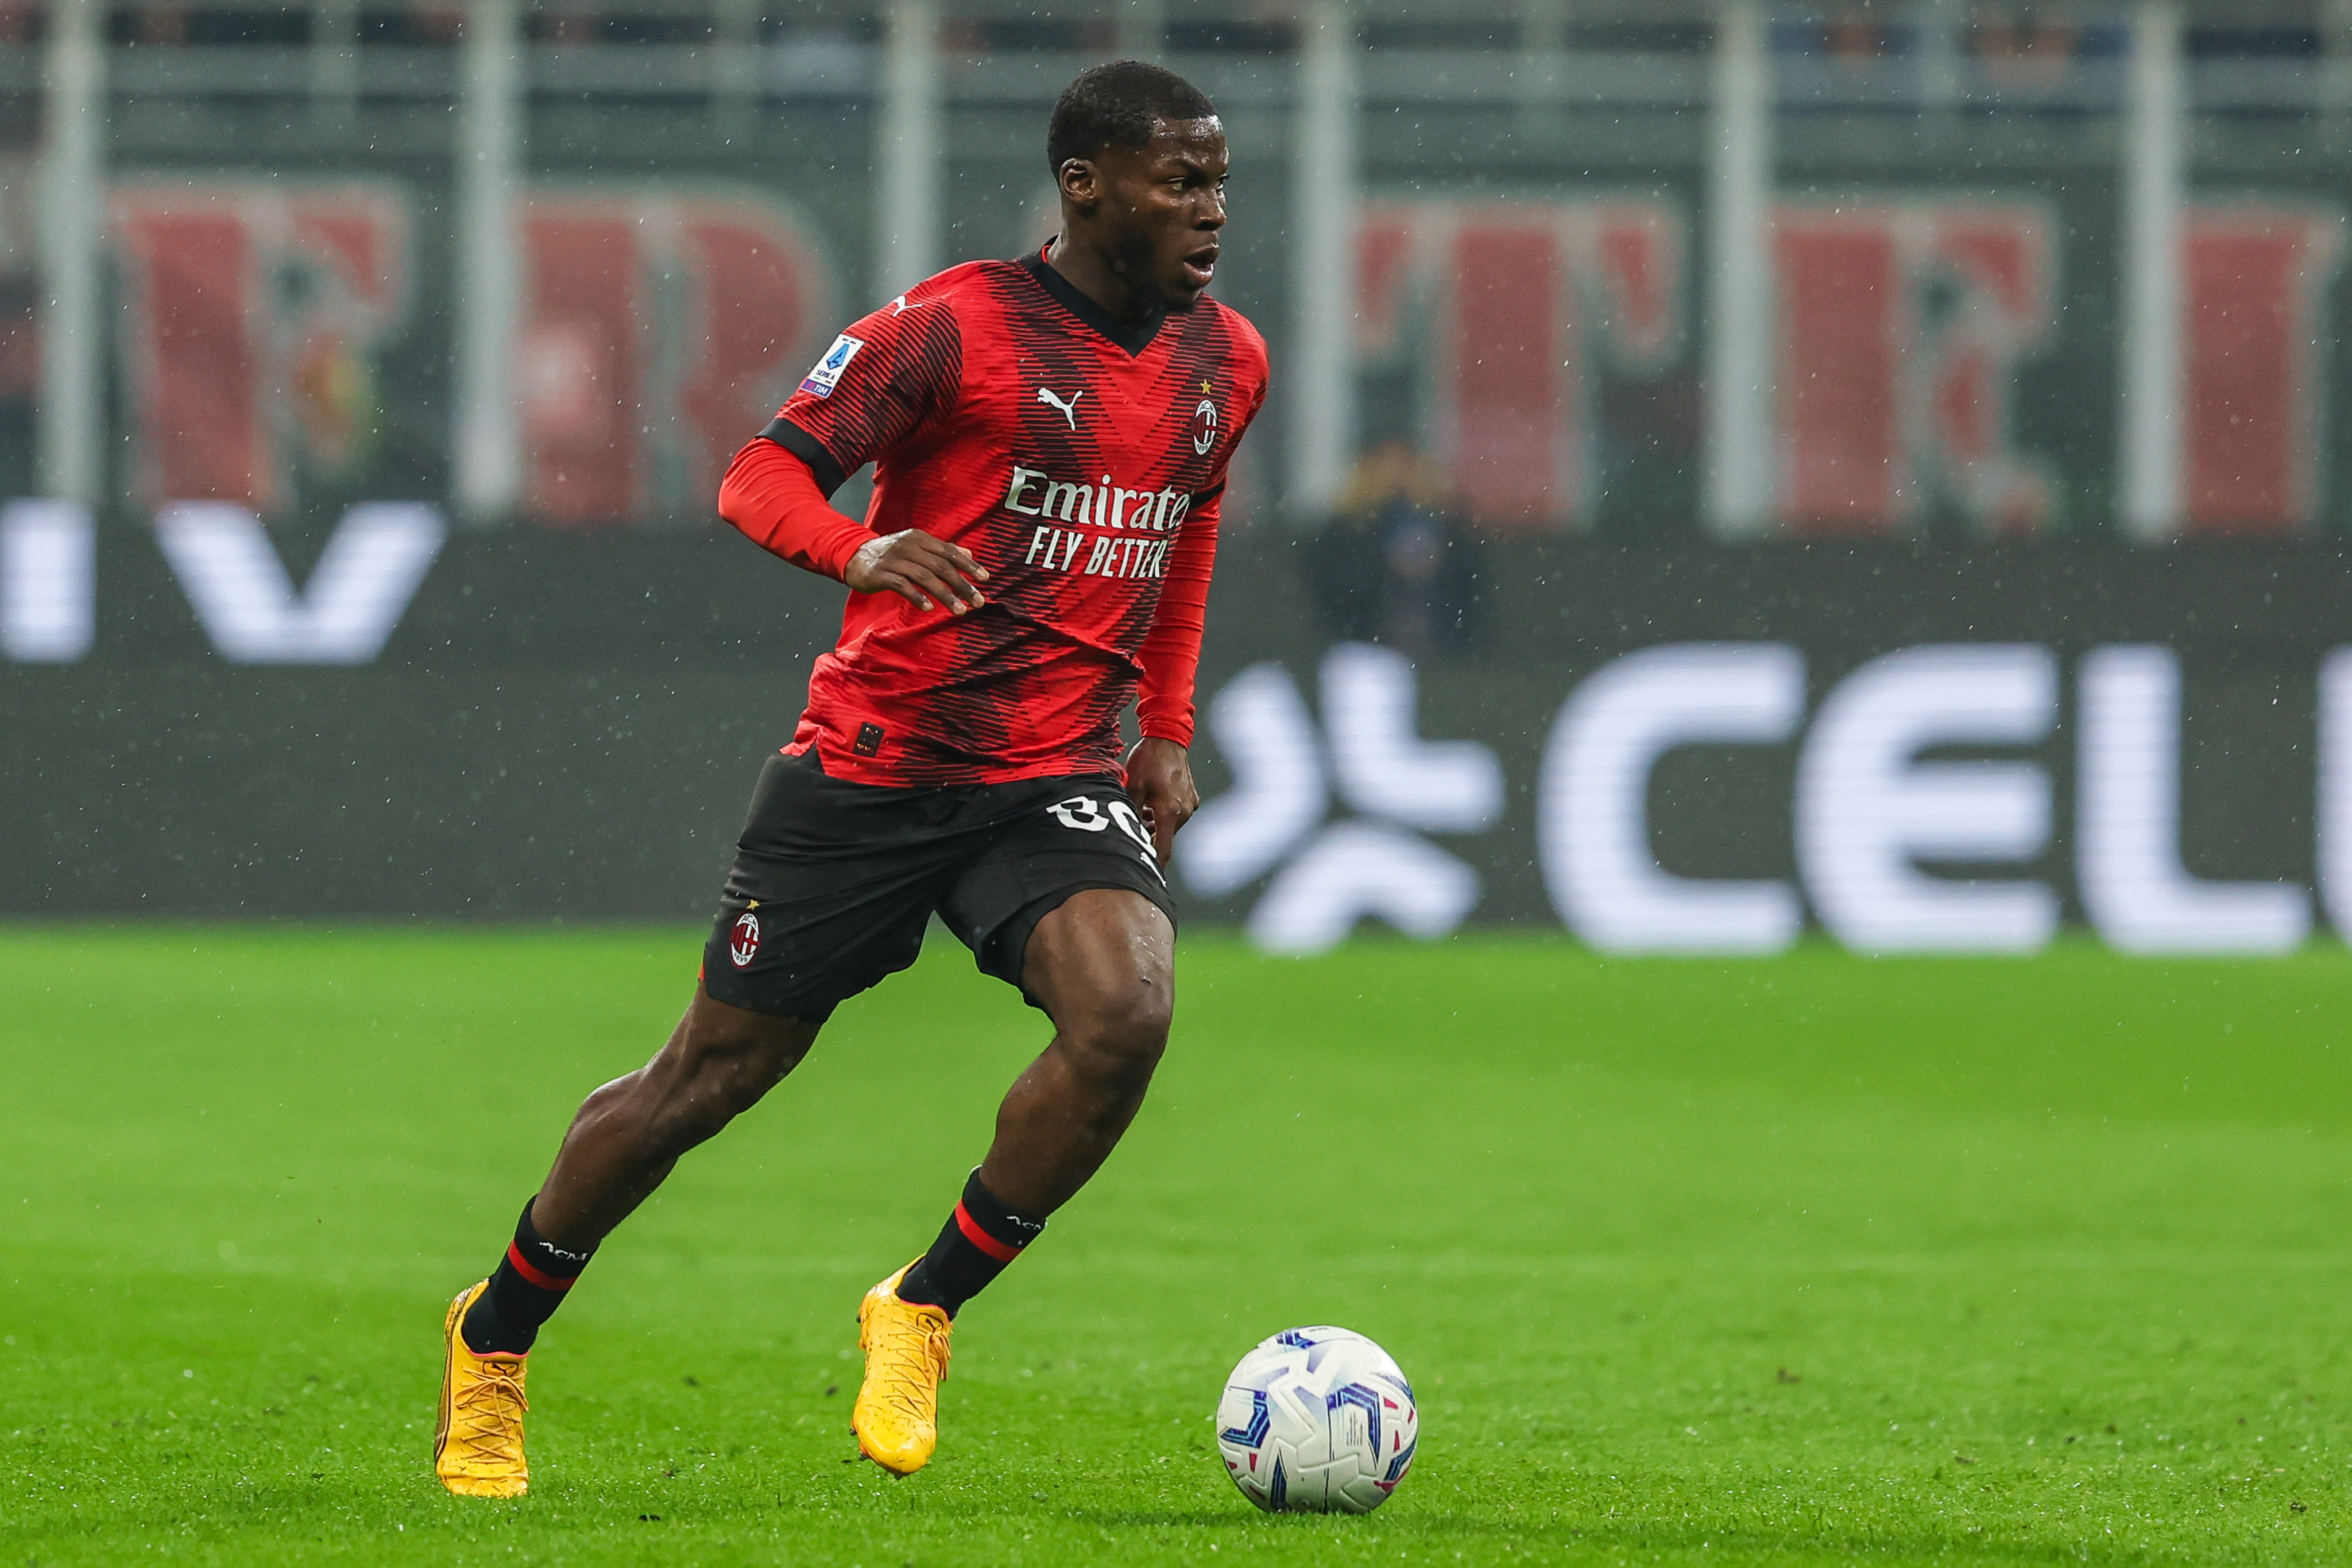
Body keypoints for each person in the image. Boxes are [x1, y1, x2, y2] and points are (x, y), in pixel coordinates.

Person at [432, 59, 1267, 1498]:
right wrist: (859, 549)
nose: (1209, 210)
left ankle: (923, 1304)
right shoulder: (950, 330)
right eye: (1179, 181)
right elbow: (758, 475)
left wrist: (1167, 724)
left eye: (1218, 182)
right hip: (874, 765)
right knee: (708, 1079)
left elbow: (1184, 536)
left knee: (1124, 1013)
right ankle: (495, 1337)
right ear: (1085, 185)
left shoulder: (1225, 359)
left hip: (1049, 770)